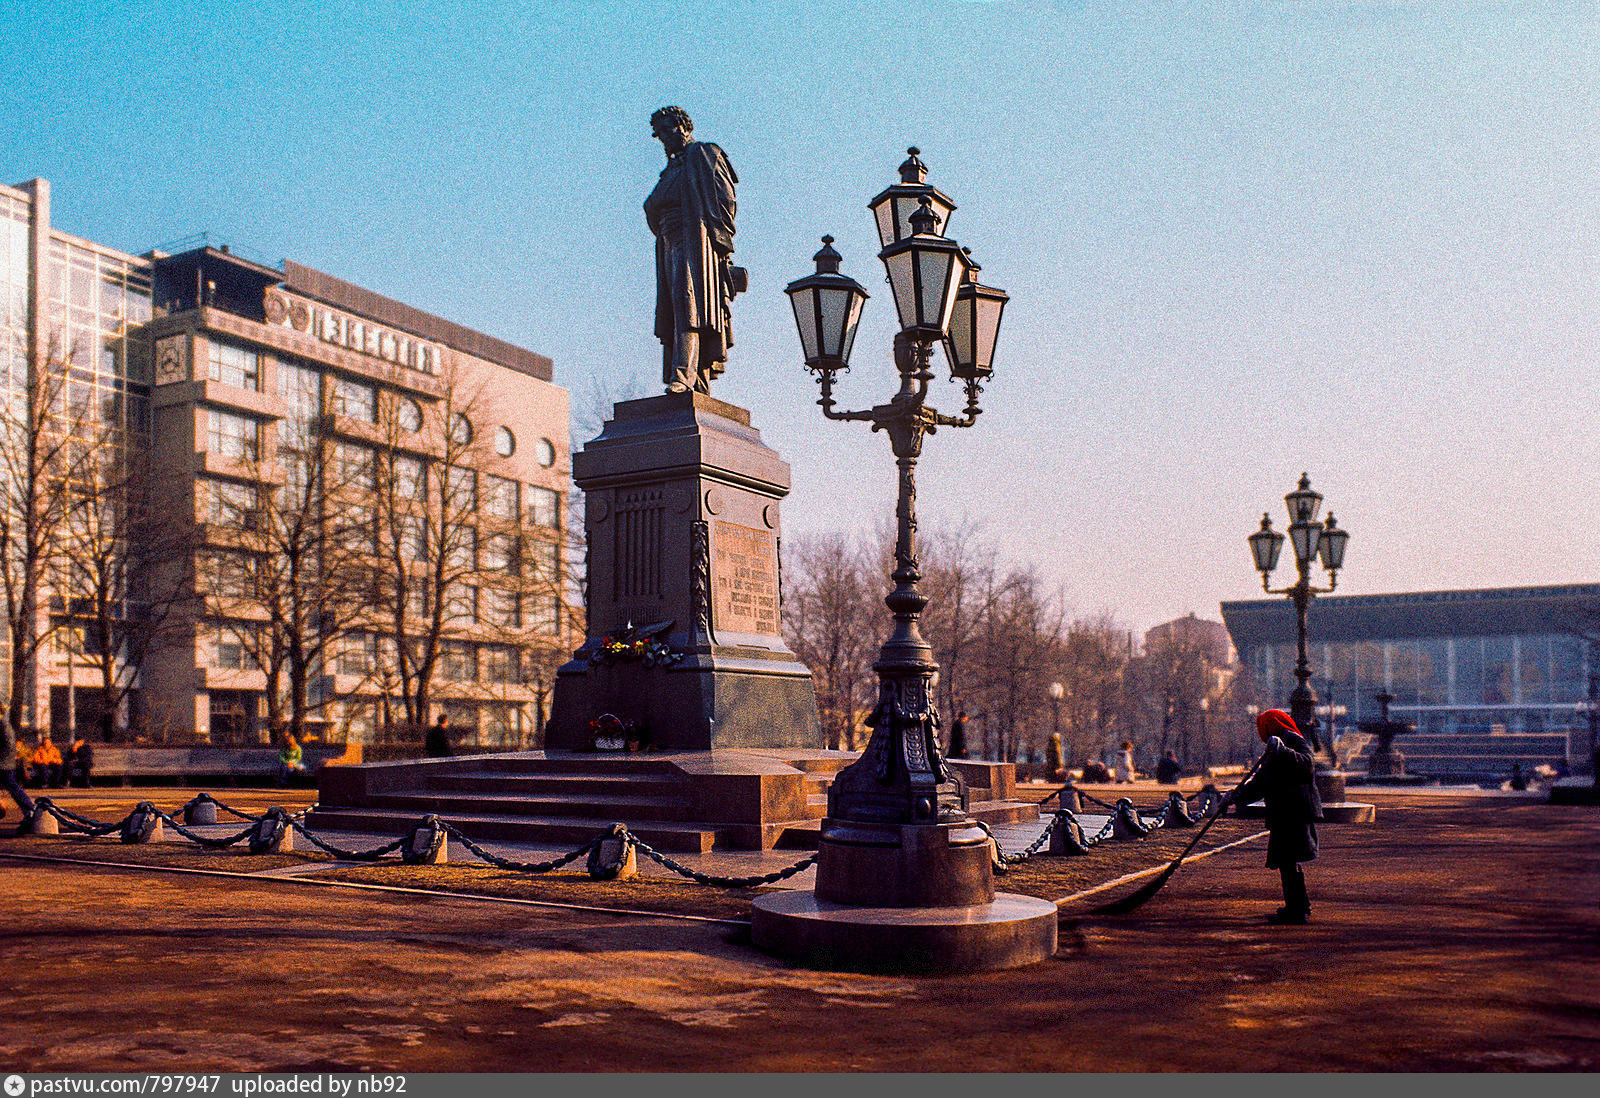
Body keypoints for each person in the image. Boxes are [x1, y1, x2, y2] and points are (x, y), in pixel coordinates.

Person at [645, 105, 741, 394]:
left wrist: (719, 239)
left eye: (667, 130)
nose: (663, 138)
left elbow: (726, 198)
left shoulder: (703, 154)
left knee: (690, 304)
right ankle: (694, 377)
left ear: (683, 127)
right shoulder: (670, 171)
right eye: (658, 133)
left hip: (695, 240)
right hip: (668, 240)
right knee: (674, 309)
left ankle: (683, 374)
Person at [1229, 709, 1322, 925]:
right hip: (1285, 811)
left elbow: (1307, 765)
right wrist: (1236, 797)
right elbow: (1261, 782)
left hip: (1295, 811)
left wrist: (1282, 752)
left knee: (1289, 859)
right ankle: (1298, 907)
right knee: (1286, 861)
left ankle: (1297, 911)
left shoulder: (1293, 740)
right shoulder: (1274, 747)